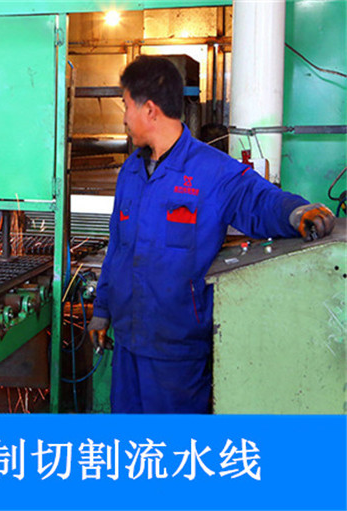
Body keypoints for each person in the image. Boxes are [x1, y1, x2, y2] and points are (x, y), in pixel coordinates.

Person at [87, 56, 335, 414]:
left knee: (175, 444)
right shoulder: (130, 172)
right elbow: (118, 248)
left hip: (178, 352)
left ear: (150, 110)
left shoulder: (211, 171)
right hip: (127, 344)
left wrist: (296, 212)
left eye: (126, 106)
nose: (124, 118)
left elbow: (260, 200)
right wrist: (102, 310)